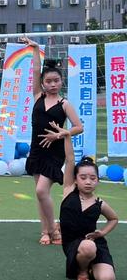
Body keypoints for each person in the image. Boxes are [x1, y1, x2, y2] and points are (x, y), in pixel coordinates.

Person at [22, 37, 83, 245]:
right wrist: (36, 49)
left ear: (61, 81)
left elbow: (78, 126)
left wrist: (59, 134)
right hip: (37, 149)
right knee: (40, 194)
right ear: (42, 83)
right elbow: (35, 69)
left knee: (41, 190)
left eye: (56, 81)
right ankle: (45, 231)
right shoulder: (38, 96)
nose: (53, 84)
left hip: (54, 151)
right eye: (48, 81)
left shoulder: (65, 104)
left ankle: (55, 229)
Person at [49, 122, 117, 280]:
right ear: (76, 179)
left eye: (93, 178)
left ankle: (93, 266)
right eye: (83, 177)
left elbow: (114, 219)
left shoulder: (99, 204)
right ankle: (82, 269)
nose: (88, 182)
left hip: (95, 243)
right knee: (87, 247)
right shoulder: (68, 190)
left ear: (98, 181)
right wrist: (67, 136)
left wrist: (101, 233)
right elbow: (70, 159)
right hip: (75, 245)